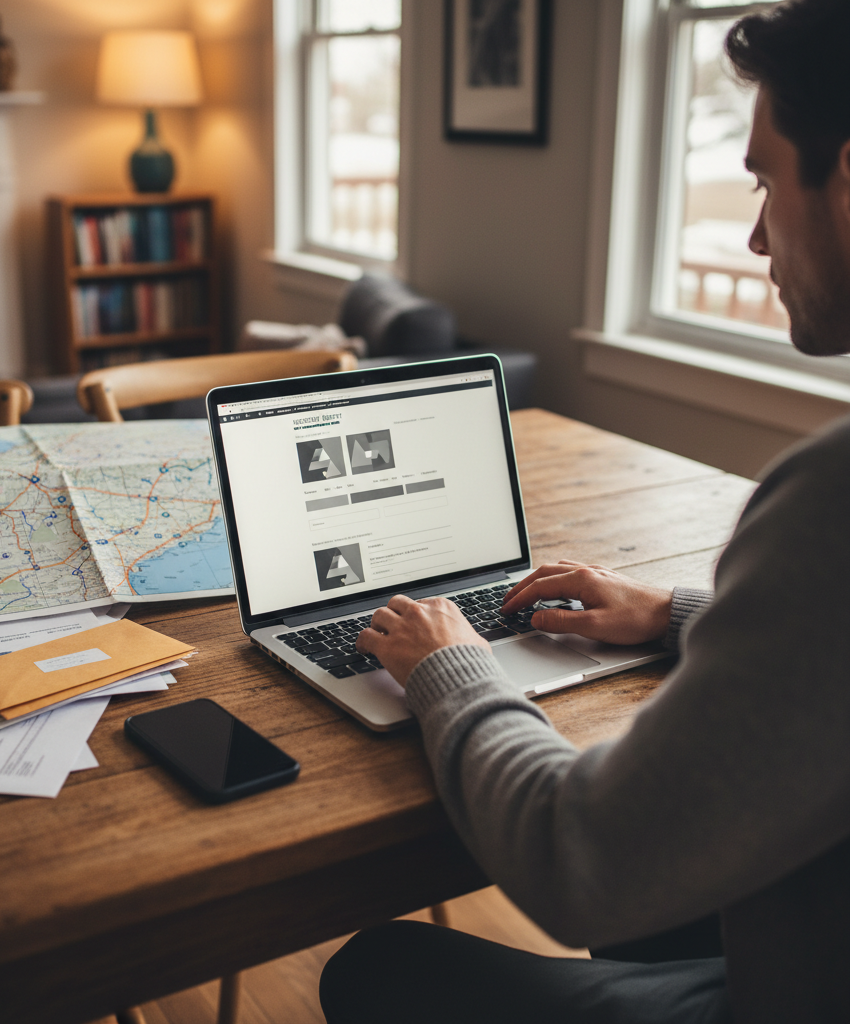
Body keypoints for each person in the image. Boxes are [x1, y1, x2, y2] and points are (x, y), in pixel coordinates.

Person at [318, 1, 850, 1021]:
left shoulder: (830, 497)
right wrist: (677, 615)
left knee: (371, 971)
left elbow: (582, 860)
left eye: (764, 180)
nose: (750, 234)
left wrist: (447, 665)